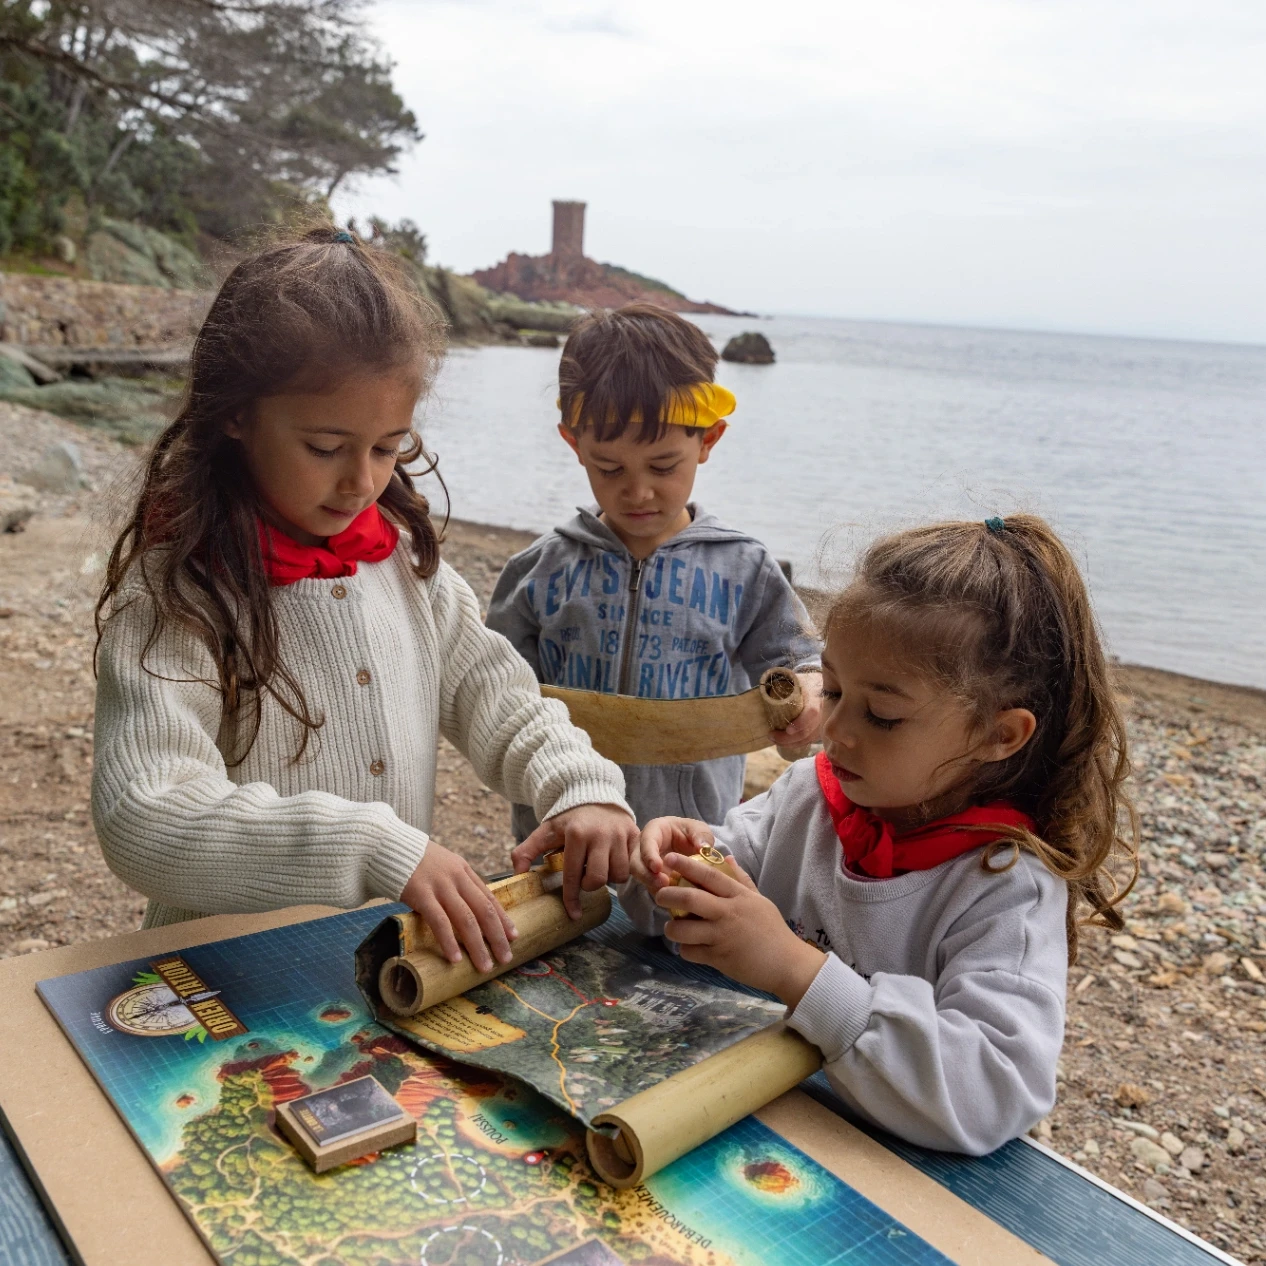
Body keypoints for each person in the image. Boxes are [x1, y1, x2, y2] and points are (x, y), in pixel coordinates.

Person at [92, 225, 638, 964]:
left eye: (388, 447)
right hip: (218, 979)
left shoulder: (403, 564)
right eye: (325, 447)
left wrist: (581, 787)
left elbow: (500, 698)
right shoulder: (179, 596)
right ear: (236, 413)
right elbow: (144, 815)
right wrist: (369, 845)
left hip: (375, 971)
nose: (362, 482)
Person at [622, 514, 1139, 1154]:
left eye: (884, 715)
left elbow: (994, 1090)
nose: (834, 729)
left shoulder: (1007, 888)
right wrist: (673, 870)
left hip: (890, 1171)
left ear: (999, 734)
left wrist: (793, 968)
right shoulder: (811, 796)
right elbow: (704, 899)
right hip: (752, 1124)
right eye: (833, 690)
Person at [486, 303, 822, 857]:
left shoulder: (744, 569)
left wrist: (810, 692)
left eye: (664, 466)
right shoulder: (537, 571)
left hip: (691, 844)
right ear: (573, 443)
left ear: (708, 440)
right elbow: (495, 699)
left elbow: (802, 662)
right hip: (563, 839)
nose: (638, 491)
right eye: (609, 468)